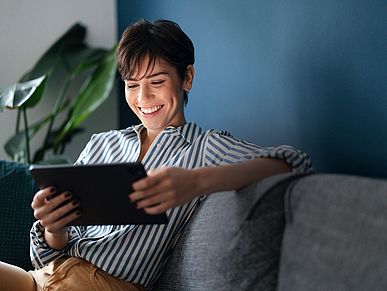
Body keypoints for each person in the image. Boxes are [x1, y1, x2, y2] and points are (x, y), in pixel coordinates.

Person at [0, 19, 313, 290]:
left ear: (186, 78)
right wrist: (54, 228)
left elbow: (293, 162)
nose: (143, 97)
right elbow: (50, 255)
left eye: (157, 82)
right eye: (132, 84)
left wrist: (198, 182)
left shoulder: (203, 148)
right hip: (45, 277)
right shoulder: (103, 145)